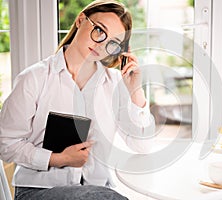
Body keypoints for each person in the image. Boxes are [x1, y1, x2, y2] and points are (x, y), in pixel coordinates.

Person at [0, 1, 155, 199]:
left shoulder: (115, 83)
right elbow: (6, 143)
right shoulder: (34, 78)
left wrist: (135, 92)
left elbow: (143, 145)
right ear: (81, 20)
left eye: (112, 42)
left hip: (99, 191)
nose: (101, 44)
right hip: (39, 191)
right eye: (99, 30)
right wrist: (57, 159)